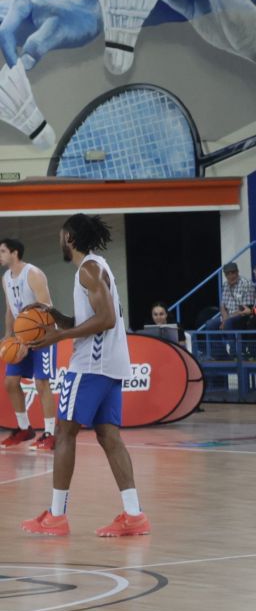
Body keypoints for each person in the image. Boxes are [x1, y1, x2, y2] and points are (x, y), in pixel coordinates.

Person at [20, 215, 148, 538]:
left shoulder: (88, 270)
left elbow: (104, 319)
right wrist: (58, 318)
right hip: (112, 364)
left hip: (91, 365)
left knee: (64, 432)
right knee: (108, 436)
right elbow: (92, 318)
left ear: (70, 238)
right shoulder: (95, 266)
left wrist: (57, 337)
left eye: (61, 235)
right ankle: (134, 515)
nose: (59, 241)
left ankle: (56, 515)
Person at [1, 238, 57, 450]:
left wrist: (33, 337)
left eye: (2, 251)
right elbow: (10, 310)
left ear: (14, 253)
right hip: (20, 338)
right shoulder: (5, 277)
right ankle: (25, 429)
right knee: (10, 382)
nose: (0, 255)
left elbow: (47, 307)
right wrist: (8, 335)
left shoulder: (33, 273)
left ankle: (50, 434)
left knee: (42, 384)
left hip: (43, 336)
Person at [215, 261, 256, 329]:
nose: (230, 276)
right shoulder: (225, 285)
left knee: (228, 323)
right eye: (227, 274)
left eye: (233, 272)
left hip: (243, 316)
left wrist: (226, 320)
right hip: (228, 317)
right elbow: (223, 306)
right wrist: (225, 319)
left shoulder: (247, 284)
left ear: (237, 272)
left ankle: (231, 340)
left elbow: (245, 309)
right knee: (210, 324)